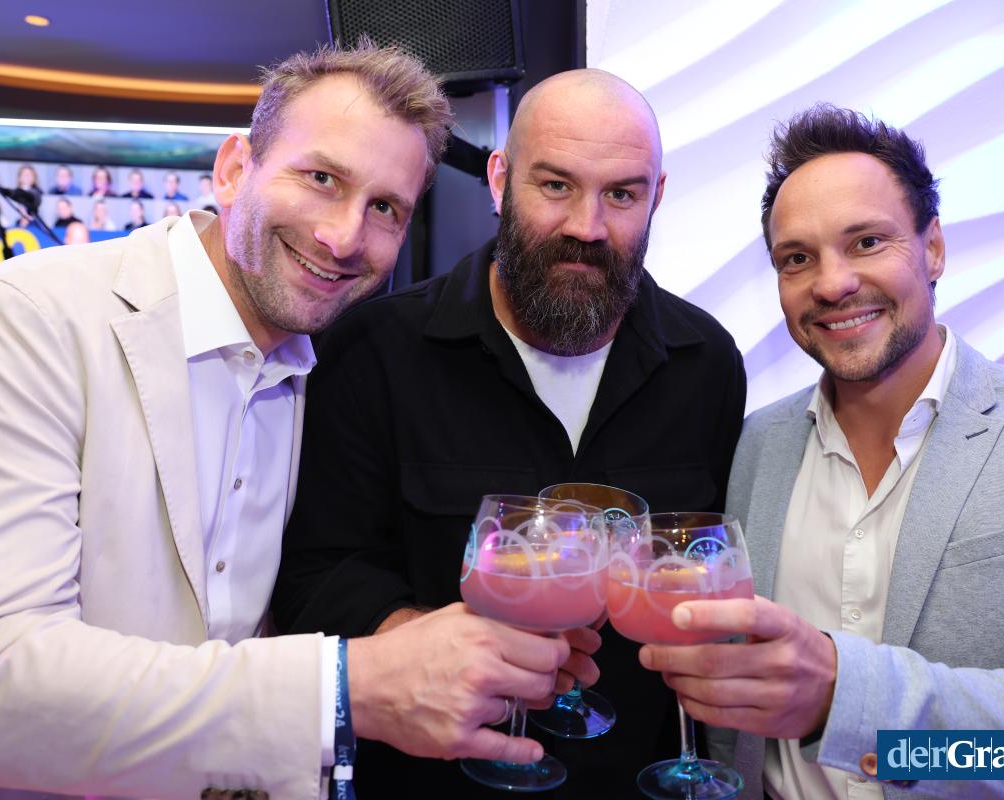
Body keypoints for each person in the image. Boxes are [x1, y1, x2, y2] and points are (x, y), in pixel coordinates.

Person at [0, 42, 571, 800]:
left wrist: (416, 646)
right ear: (232, 169)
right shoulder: (22, 320)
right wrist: (343, 689)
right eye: (321, 178)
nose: (344, 237)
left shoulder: (334, 367)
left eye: (385, 208)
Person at [270, 68, 747, 798]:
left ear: (656, 196)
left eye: (622, 195)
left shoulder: (705, 363)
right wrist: (444, 654)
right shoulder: (377, 348)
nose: (587, 227)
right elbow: (318, 577)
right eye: (555, 185)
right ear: (499, 181)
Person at [638, 104, 1004, 798]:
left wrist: (843, 702)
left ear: (933, 247)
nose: (831, 284)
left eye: (867, 242)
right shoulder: (757, 444)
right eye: (797, 259)